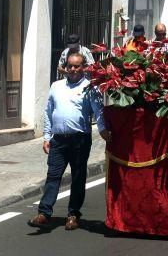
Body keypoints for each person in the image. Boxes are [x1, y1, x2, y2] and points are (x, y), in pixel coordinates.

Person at [29, 52, 109, 230]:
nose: (72, 69)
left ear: (83, 68)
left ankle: (73, 214)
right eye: (70, 66)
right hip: (58, 140)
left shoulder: (90, 87)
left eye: (77, 66)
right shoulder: (56, 86)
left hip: (80, 140)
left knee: (78, 177)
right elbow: (49, 112)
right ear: (65, 67)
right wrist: (47, 136)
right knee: (53, 175)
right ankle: (44, 213)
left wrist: (103, 130)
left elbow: (99, 111)